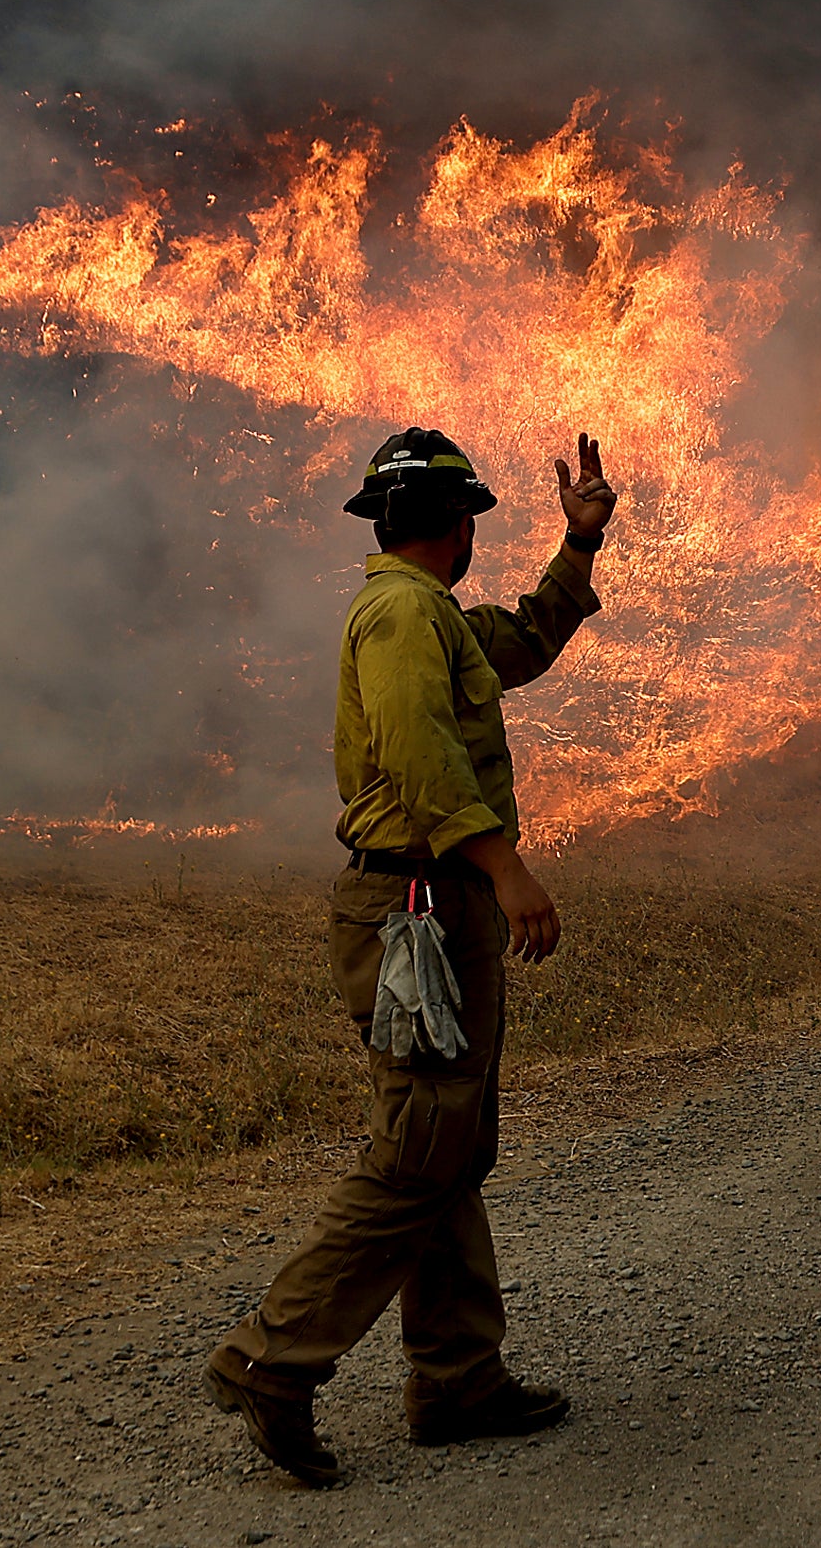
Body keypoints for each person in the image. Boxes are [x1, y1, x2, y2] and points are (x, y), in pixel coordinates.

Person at [203, 426, 617, 1487]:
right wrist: (508, 866)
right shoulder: (396, 615)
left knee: (451, 1146)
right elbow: (422, 754)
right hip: (420, 905)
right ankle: (274, 1356)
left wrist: (579, 550)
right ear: (459, 524)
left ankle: (457, 1377)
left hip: (439, 901)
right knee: (420, 1148)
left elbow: (517, 644)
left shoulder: (423, 611)